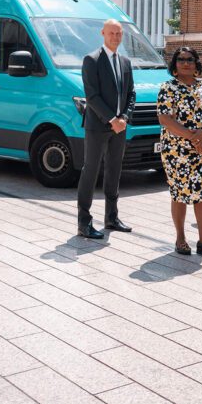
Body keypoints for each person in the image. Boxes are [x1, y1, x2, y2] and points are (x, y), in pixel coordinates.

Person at [157, 46, 202, 256]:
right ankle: (180, 239)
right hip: (176, 150)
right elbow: (165, 118)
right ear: (174, 65)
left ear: (196, 63)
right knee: (179, 193)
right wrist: (193, 137)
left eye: (190, 59)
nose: (186, 63)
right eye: (181, 59)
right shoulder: (168, 88)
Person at [77, 19, 135, 239]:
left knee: (114, 171)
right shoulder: (91, 60)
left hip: (119, 127)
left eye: (119, 33)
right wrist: (112, 119)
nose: (115, 37)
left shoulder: (126, 62)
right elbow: (92, 96)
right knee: (90, 172)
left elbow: (131, 94)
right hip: (97, 127)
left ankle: (111, 218)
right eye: (111, 33)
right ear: (102, 33)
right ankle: (84, 222)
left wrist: (124, 117)